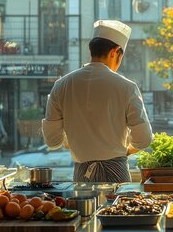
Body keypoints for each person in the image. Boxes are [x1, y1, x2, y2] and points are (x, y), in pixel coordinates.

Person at [42, 20, 153, 182]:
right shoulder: (127, 87)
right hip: (117, 175)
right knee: (117, 207)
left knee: (85, 207)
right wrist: (126, 150)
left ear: (91, 50)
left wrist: (72, 139)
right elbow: (144, 140)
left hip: (82, 175)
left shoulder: (61, 86)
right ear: (115, 52)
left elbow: (52, 142)